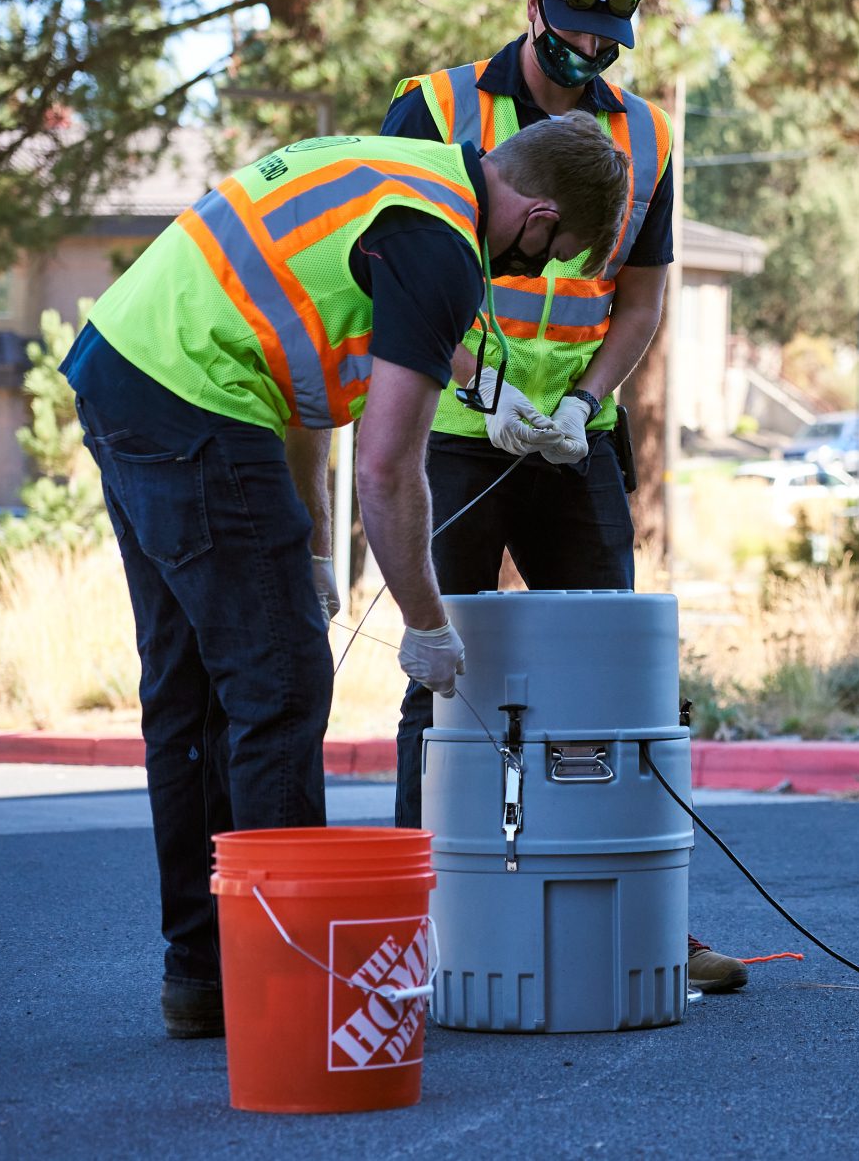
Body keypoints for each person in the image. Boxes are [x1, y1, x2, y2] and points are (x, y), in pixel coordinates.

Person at [62, 115, 630, 1037]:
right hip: (196, 397)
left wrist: (317, 545)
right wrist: (429, 622)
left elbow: (294, 352)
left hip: (127, 363)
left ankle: (205, 978)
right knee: (281, 683)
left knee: (192, 688)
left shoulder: (404, 178)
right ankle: (286, 994)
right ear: (537, 212)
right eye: (551, 253)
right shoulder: (443, 246)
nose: (535, 274)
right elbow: (387, 466)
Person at [381, 0, 748, 994]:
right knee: (437, 675)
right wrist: (475, 386)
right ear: (534, 8)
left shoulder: (645, 136)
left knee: (616, 683)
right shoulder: (440, 107)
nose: (589, 61)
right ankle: (421, 919)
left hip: (568, 437)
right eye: (574, 36)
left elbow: (640, 298)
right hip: (455, 434)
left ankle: (645, 916)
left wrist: (584, 402)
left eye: (610, 43)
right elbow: (394, 265)